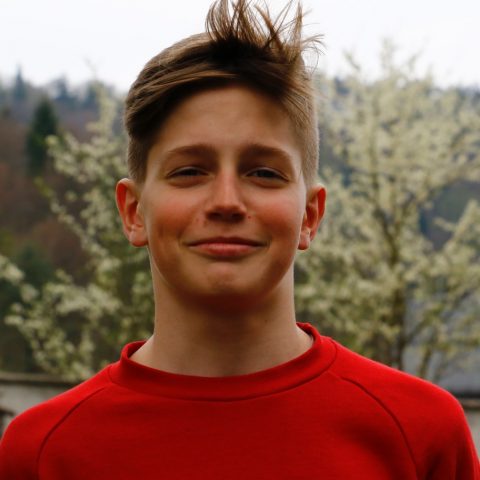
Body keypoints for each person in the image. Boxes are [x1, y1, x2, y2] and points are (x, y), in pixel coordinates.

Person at [0, 0, 479, 478]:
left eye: (264, 172)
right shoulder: (41, 453)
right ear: (133, 212)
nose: (226, 201)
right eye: (189, 171)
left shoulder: (420, 434)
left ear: (310, 215)